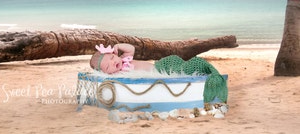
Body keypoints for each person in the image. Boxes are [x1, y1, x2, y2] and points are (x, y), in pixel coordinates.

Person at [90, 43, 228, 103]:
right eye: (108, 67)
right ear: (107, 73)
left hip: (162, 66)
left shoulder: (126, 60)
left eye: (113, 57)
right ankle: (205, 75)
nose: (114, 63)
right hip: (161, 73)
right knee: (189, 68)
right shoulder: (118, 74)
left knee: (189, 65)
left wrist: (118, 47)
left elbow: (130, 48)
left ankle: (208, 72)